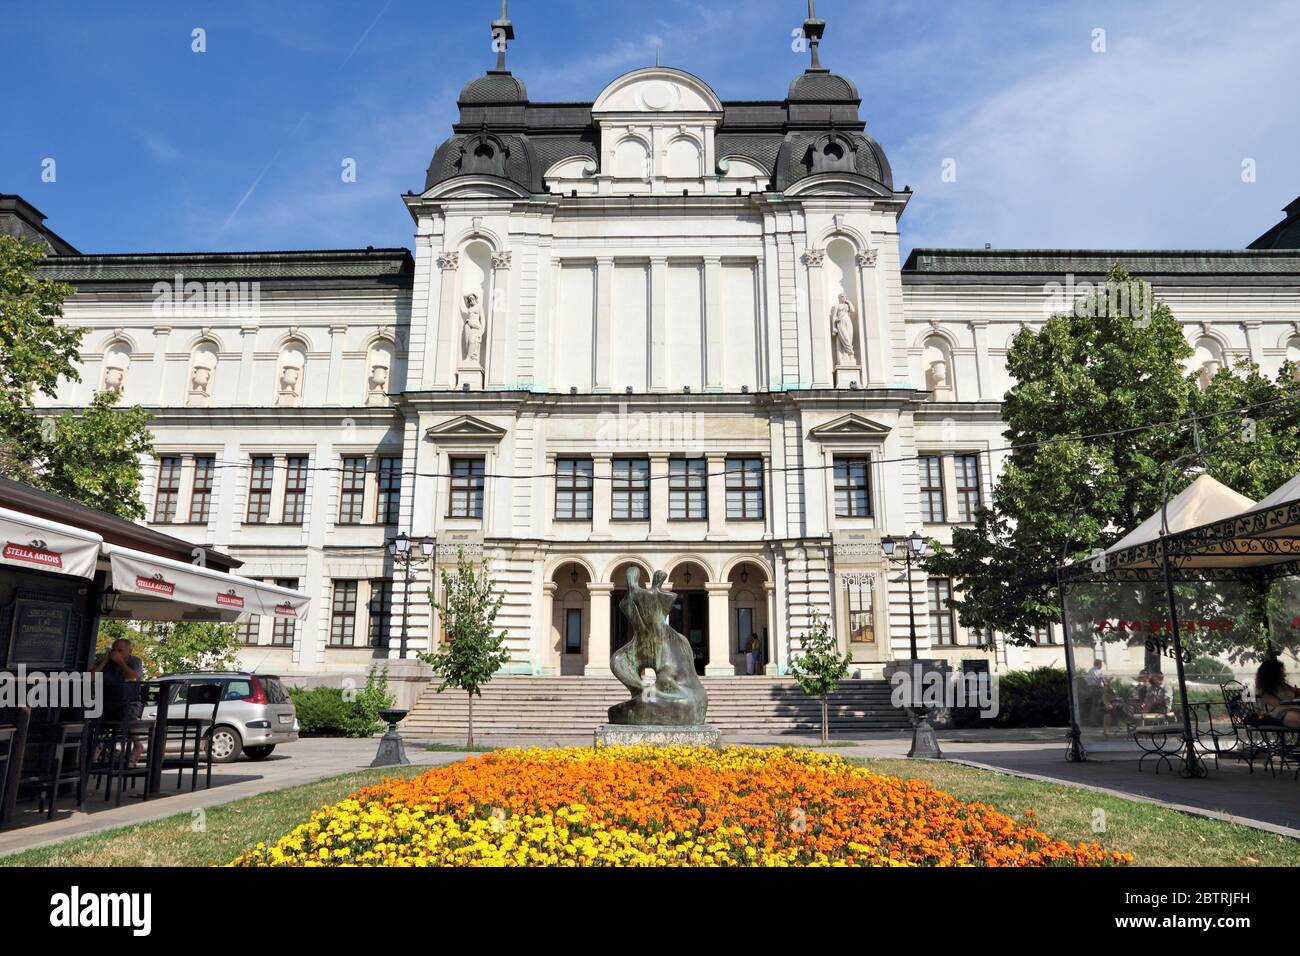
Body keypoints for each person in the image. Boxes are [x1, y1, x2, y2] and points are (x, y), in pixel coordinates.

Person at [92, 638, 145, 762]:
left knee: (126, 713)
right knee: (95, 714)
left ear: (129, 651)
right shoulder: (107, 664)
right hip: (108, 702)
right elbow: (90, 678)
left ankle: (137, 745)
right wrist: (104, 662)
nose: (116, 653)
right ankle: (97, 747)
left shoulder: (135, 661)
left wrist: (121, 662)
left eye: (120, 650)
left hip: (129, 702)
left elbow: (133, 677)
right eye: (114, 650)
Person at [1252, 658, 1300, 729]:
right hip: (1280, 714)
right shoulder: (1263, 690)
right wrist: (1296, 699)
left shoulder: (1284, 686)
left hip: (1295, 710)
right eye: (1281, 672)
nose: (1284, 675)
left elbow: (1297, 691)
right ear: (1273, 674)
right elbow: (1278, 704)